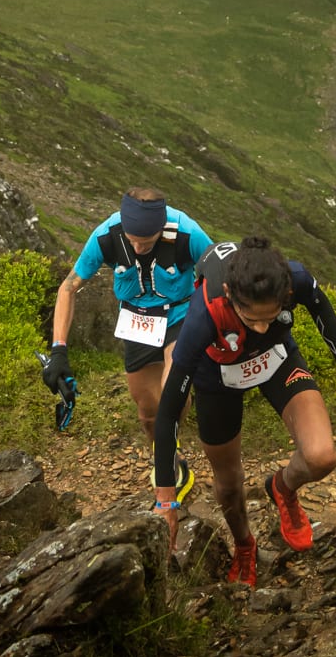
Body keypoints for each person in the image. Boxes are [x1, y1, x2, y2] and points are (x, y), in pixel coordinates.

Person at [151, 236, 336, 588]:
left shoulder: (293, 278)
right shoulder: (204, 315)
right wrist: (165, 499)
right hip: (217, 377)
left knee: (322, 456)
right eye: (252, 319)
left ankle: (282, 488)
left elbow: (321, 308)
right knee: (228, 483)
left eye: (272, 317)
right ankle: (244, 545)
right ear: (229, 295)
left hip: (277, 360)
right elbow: (168, 412)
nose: (262, 327)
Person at [45, 186, 214, 505]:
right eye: (132, 241)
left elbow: (219, 273)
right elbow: (68, 288)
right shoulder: (106, 236)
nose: (138, 248)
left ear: (160, 228)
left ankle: (169, 466)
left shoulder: (187, 232)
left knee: (172, 393)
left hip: (180, 315)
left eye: (146, 242)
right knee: (147, 412)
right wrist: (59, 350)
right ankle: (166, 450)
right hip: (137, 321)